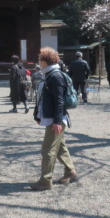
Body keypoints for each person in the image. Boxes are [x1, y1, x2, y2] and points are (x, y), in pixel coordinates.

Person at [30, 46, 78, 191]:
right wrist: (37, 114)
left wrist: (56, 121)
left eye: (40, 59)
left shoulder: (55, 76)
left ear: (45, 61)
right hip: (53, 118)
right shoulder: (48, 74)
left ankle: (45, 181)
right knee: (60, 147)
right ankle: (70, 171)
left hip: (56, 119)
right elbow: (42, 98)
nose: (38, 62)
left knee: (48, 149)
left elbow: (59, 100)